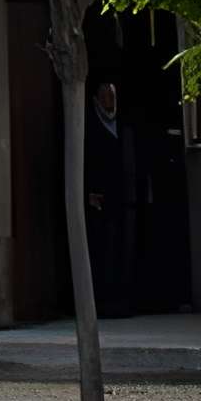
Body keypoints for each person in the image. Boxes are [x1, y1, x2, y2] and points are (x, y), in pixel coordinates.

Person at [83, 80, 141, 319]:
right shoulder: (90, 126)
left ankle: (123, 300)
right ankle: (103, 302)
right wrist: (89, 190)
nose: (109, 100)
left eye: (112, 96)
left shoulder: (124, 126)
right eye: (104, 96)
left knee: (123, 247)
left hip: (122, 197)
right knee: (103, 248)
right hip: (100, 197)